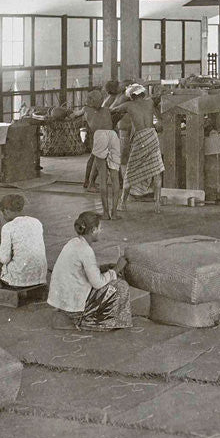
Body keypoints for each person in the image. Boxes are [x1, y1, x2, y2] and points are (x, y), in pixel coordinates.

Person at [48, 211, 132, 331]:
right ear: (93, 230)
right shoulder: (86, 250)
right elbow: (98, 283)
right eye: (100, 228)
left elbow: (80, 270)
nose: (101, 231)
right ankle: (84, 320)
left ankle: (65, 315)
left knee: (110, 279)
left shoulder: (73, 242)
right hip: (73, 307)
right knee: (121, 286)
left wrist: (104, 268)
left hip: (61, 302)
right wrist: (117, 269)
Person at [0, 194, 47, 299]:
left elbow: (4, 259)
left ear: (6, 211)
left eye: (2, 213)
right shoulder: (36, 222)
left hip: (18, 280)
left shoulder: (8, 227)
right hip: (39, 277)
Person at [112, 84, 165, 213]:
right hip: (152, 136)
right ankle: (157, 205)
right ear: (142, 94)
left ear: (131, 96)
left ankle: (122, 203)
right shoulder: (150, 102)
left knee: (130, 171)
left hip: (141, 138)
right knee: (156, 170)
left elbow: (112, 110)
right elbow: (157, 106)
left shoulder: (128, 105)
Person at [83, 88, 121, 219]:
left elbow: (72, 115)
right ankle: (114, 213)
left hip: (100, 136)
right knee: (115, 177)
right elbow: (118, 111)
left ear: (90, 101)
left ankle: (105, 213)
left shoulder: (86, 110)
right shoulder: (107, 110)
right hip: (113, 136)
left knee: (103, 178)